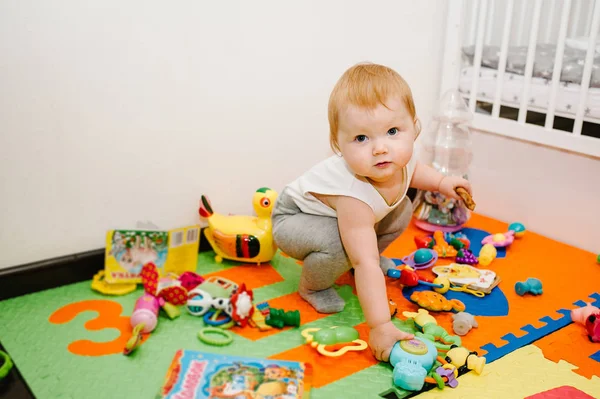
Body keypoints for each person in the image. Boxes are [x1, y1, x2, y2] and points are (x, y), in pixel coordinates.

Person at [271, 62, 472, 362]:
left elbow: (416, 172)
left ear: (413, 128)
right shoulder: (353, 194)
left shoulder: (401, 159)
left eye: (392, 131)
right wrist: (380, 325)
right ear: (337, 144)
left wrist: (443, 183)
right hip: (292, 219)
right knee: (344, 246)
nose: (380, 148)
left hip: (337, 219)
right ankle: (312, 285)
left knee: (402, 207)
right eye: (361, 138)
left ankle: (350, 262)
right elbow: (366, 263)